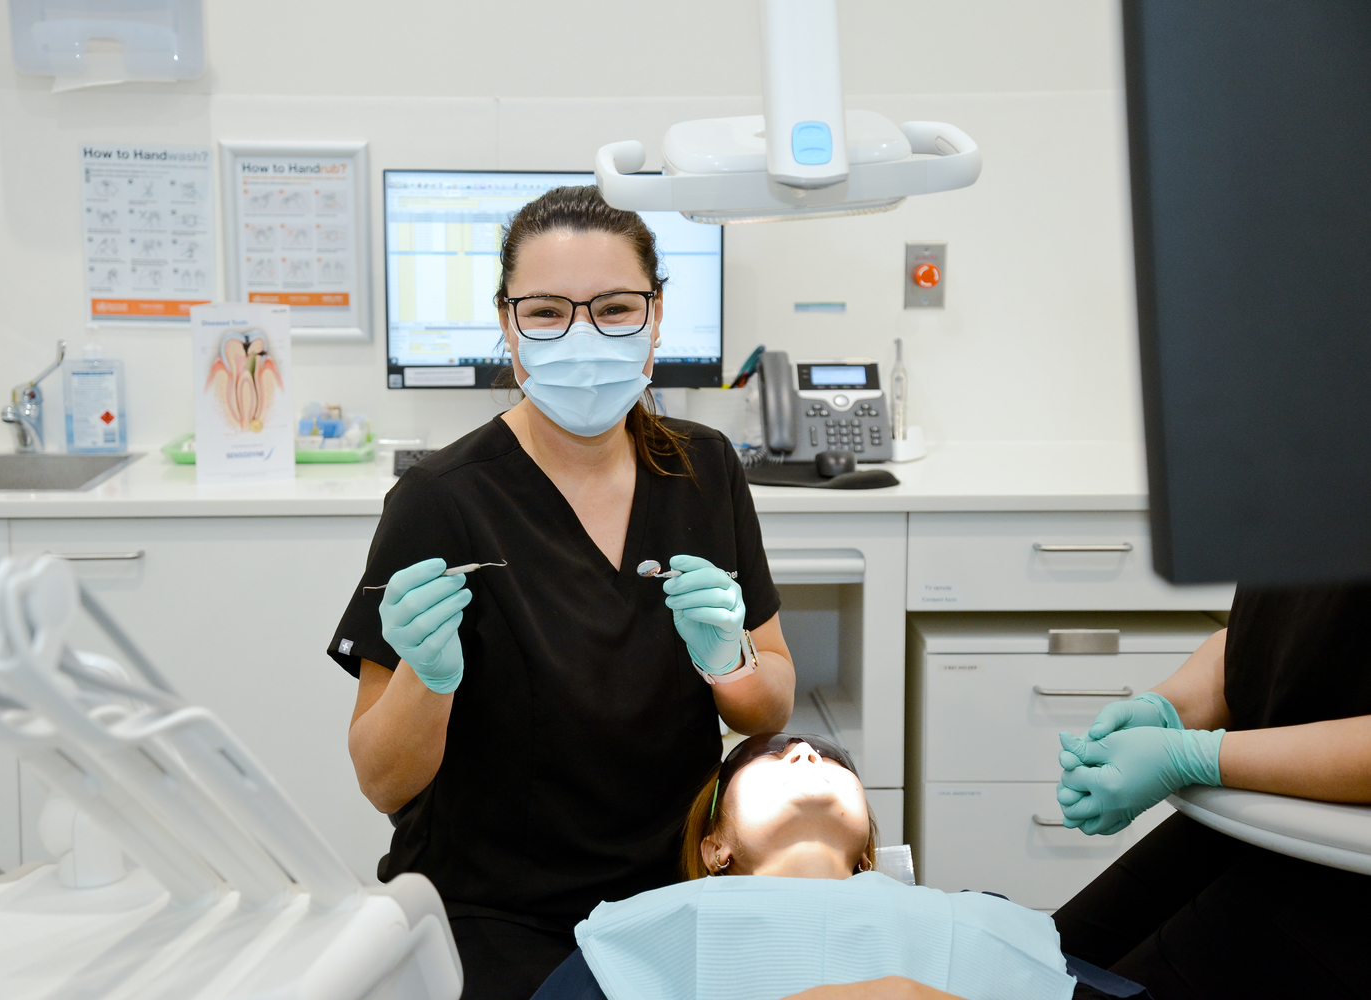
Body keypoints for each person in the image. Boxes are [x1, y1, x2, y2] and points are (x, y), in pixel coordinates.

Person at [327, 185, 796, 1000]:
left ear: (654, 321)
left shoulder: (703, 467)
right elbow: (383, 782)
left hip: (674, 888)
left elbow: (770, 708)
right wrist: (426, 680)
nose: (582, 335)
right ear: (509, 330)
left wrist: (733, 660)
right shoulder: (442, 499)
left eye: (614, 308)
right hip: (493, 909)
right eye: (546, 313)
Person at [532, 733, 1142, 1000]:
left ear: (868, 856)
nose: (803, 751)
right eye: (765, 756)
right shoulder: (641, 933)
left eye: (832, 759)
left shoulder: (972, 915)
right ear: (714, 846)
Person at [1052, 582, 1371, 999]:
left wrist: (1196, 755)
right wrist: (1168, 709)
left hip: (1348, 873)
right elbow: (1278, 631)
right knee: (1033, 966)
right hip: (1269, 814)